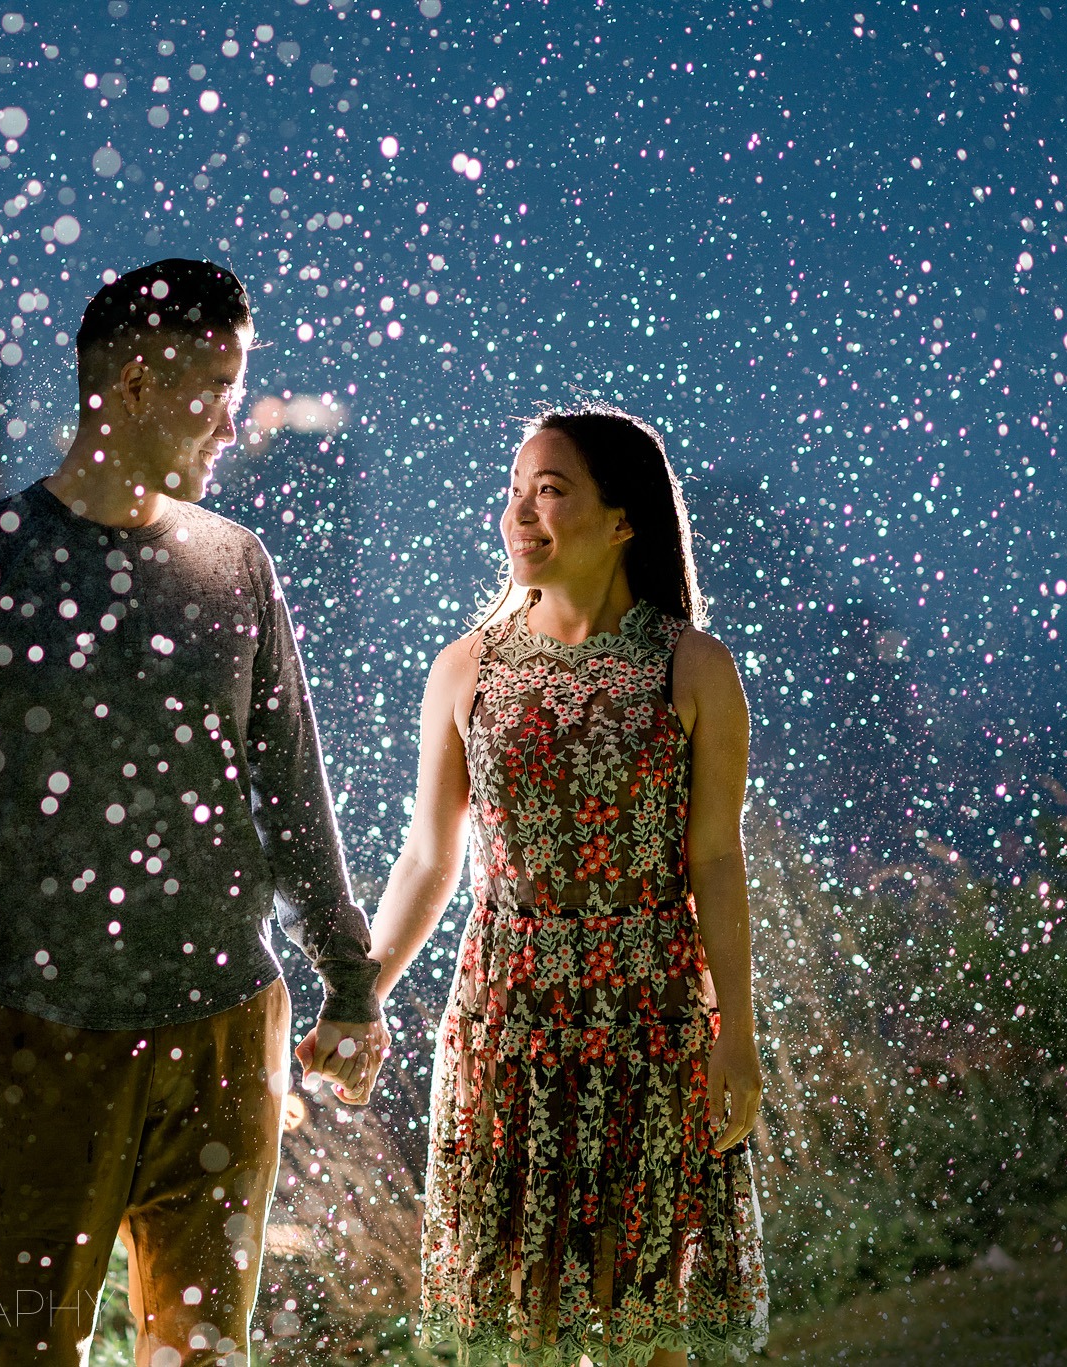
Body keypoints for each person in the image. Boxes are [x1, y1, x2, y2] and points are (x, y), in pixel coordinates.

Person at [0, 259, 390, 1367]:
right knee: (25, 1350)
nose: (232, 419)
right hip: (39, 1039)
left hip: (223, 1031)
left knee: (204, 1354)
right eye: (217, 383)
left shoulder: (234, 564)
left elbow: (292, 790)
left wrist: (348, 981)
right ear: (138, 382)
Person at [364, 405, 769, 1364]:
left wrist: (739, 1034)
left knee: (650, 1317)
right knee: (519, 1315)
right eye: (515, 495)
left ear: (624, 519)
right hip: (510, 1020)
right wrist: (363, 991)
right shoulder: (465, 669)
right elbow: (430, 857)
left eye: (552, 492)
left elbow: (716, 858)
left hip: (654, 1015)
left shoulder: (695, 666)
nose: (522, 516)